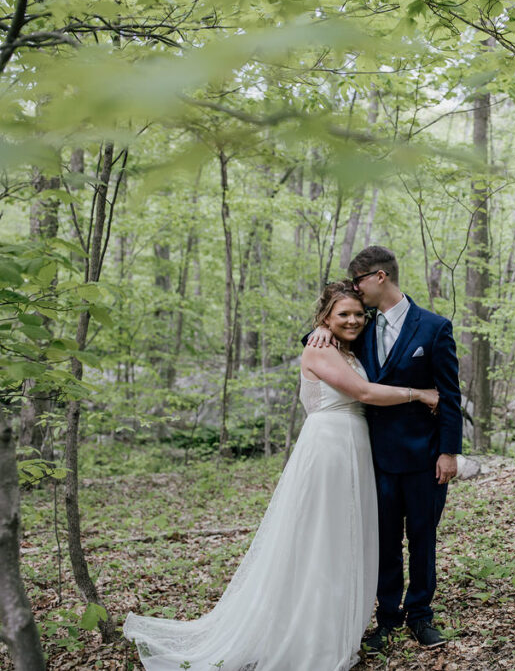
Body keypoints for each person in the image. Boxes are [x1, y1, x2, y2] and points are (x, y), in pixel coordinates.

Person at [123, 282, 438, 671]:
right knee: (319, 538)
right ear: (325, 318)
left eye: (359, 313)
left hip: (355, 447)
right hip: (328, 448)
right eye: (343, 315)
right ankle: (309, 634)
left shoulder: (345, 346)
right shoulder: (317, 348)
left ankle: (337, 623)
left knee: (344, 538)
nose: (354, 320)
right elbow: (365, 392)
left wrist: (326, 327)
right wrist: (421, 394)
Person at [306, 245, 461, 652]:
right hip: (375, 458)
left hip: (425, 457)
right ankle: (388, 619)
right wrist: (317, 330)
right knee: (385, 541)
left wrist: (449, 452)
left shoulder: (433, 327)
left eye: (357, 282)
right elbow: (328, 345)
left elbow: (449, 394)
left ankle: (421, 617)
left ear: (378, 277)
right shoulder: (362, 328)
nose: (355, 294)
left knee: (423, 539)